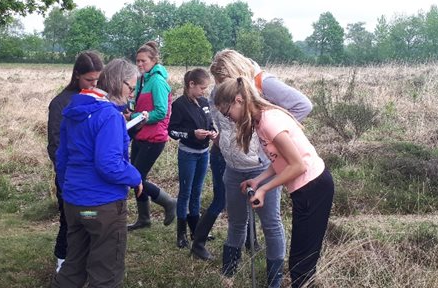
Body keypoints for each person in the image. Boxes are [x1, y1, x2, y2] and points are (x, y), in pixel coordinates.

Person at [213, 77, 334, 288]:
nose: (229, 118)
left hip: (314, 188)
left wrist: (265, 189)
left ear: (239, 100)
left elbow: (298, 165)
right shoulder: (259, 121)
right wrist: (257, 179)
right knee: (300, 258)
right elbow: (280, 161)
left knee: (302, 260)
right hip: (304, 190)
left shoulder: (270, 121)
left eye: (228, 111)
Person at [45, 59, 143, 288]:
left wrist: (69, 190)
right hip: (102, 205)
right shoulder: (109, 117)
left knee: (74, 259)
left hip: (75, 202)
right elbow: (109, 165)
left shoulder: (74, 110)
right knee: (106, 263)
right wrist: (136, 177)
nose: (132, 94)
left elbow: (62, 157)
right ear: (118, 84)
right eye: (131, 87)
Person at [191, 49, 313, 266]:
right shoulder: (217, 93)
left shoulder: (263, 84)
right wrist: (221, 141)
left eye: (223, 81)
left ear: (236, 74)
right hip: (232, 165)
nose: (221, 88)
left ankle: (274, 282)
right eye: (218, 84)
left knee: (271, 223)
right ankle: (229, 271)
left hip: (260, 165)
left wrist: (271, 134)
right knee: (236, 221)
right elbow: (222, 124)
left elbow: (302, 106)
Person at [47, 51, 104, 273]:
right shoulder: (60, 103)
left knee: (89, 217)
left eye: (97, 80)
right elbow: (55, 144)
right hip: (69, 175)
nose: (93, 85)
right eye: (89, 80)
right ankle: (62, 263)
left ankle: (85, 261)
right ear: (77, 75)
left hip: (93, 175)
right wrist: (67, 174)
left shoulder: (98, 97)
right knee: (69, 220)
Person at [126, 41, 177, 231]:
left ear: (154, 61)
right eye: (137, 61)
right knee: (137, 176)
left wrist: (134, 116)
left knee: (135, 177)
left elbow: (161, 112)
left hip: (154, 138)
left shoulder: (157, 82)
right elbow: (141, 106)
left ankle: (169, 202)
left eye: (143, 61)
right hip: (140, 135)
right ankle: (144, 218)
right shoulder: (142, 80)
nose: (139, 64)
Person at [168, 68, 217, 248]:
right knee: (185, 192)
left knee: (197, 192)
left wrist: (212, 132)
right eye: (202, 88)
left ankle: (196, 229)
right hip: (188, 153)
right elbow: (172, 131)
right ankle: (181, 233)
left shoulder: (204, 102)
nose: (204, 91)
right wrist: (191, 134)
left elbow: (209, 122)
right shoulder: (179, 104)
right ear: (191, 85)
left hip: (203, 153)